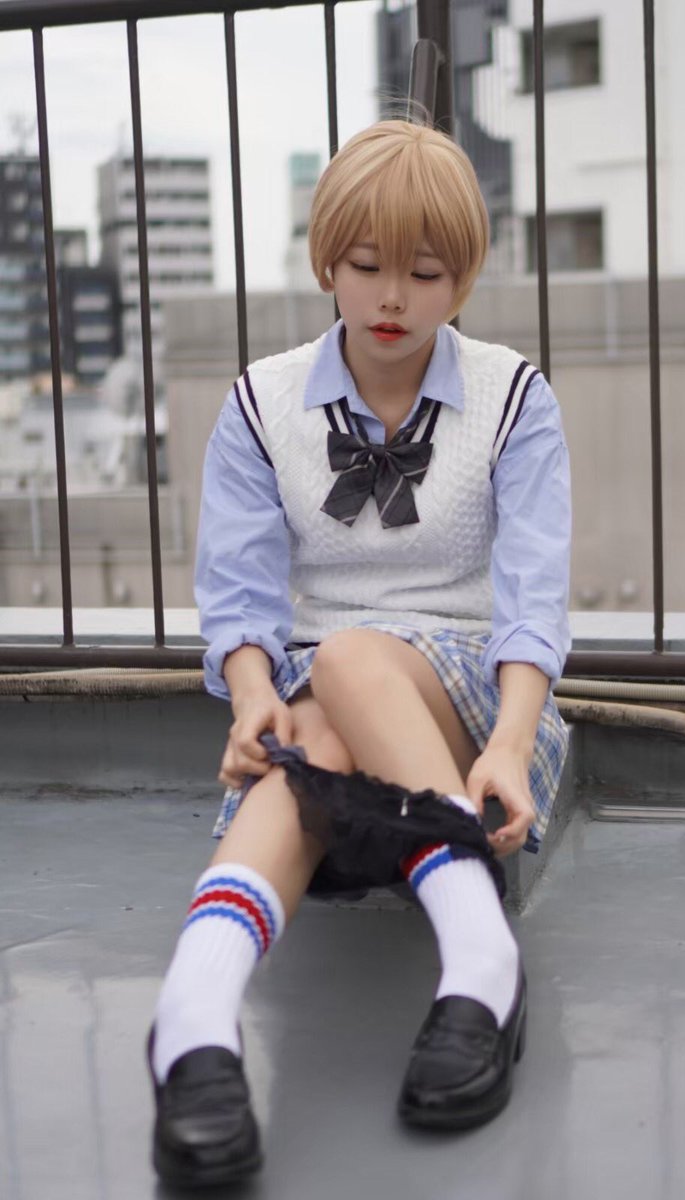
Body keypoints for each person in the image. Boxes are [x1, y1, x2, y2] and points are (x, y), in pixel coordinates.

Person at [147, 118, 571, 1188]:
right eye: (366, 266)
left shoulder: (514, 398)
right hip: (321, 685)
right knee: (314, 731)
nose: (392, 299)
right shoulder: (262, 404)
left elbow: (532, 600)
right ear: (325, 261)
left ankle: (469, 957)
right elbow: (240, 598)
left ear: (461, 278)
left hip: (478, 699)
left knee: (343, 665)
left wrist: (511, 743)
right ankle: (198, 1017)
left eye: (424, 275)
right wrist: (252, 696)